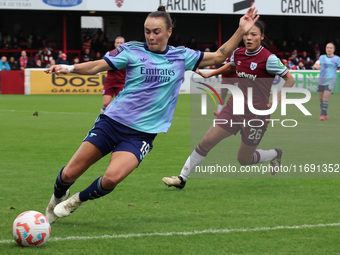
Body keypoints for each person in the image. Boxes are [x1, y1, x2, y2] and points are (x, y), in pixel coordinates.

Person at [44, 6, 259, 223]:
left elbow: (218, 56)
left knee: (111, 178)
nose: (150, 36)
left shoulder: (181, 56)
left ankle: (75, 201)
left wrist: (241, 30)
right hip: (111, 123)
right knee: (69, 174)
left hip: (141, 135)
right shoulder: (131, 50)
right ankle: (56, 198)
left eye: (156, 32)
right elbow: (98, 66)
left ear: (169, 32)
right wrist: (70, 68)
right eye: (147, 31)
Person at [162, 20, 295, 189]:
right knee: (207, 141)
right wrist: (210, 74)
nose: (248, 38)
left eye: (253, 34)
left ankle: (275, 154)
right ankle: (182, 178)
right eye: (246, 34)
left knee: (244, 160)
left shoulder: (269, 59)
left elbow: (290, 79)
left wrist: (276, 100)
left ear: (261, 37)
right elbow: (231, 67)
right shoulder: (238, 53)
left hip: (256, 114)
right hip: (234, 108)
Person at [313, 42, 340, 121]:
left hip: (331, 80)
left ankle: (322, 115)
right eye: (327, 48)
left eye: (330, 48)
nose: (329, 49)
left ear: (334, 50)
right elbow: (315, 65)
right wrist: (316, 66)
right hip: (322, 80)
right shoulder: (322, 57)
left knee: (325, 97)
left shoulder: (337, 58)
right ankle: (325, 114)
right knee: (321, 98)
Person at [100, 36, 126, 114]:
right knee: (106, 103)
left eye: (121, 43)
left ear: (124, 44)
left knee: (121, 105)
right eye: (117, 43)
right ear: (114, 44)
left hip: (122, 82)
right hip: (110, 82)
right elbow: (103, 64)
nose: (119, 44)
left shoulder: (127, 55)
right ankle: (102, 118)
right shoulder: (109, 53)